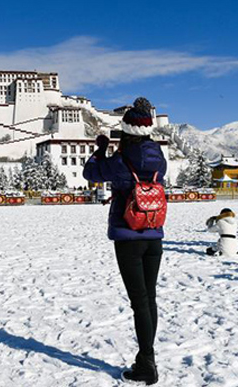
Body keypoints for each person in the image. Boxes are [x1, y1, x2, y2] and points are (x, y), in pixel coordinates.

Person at [83, 97, 167, 385]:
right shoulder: (159, 158)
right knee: (150, 298)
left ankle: (146, 362)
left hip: (128, 234)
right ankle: (148, 356)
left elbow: (90, 173)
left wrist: (101, 150)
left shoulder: (120, 161)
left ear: (127, 131)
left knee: (139, 302)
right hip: (154, 232)